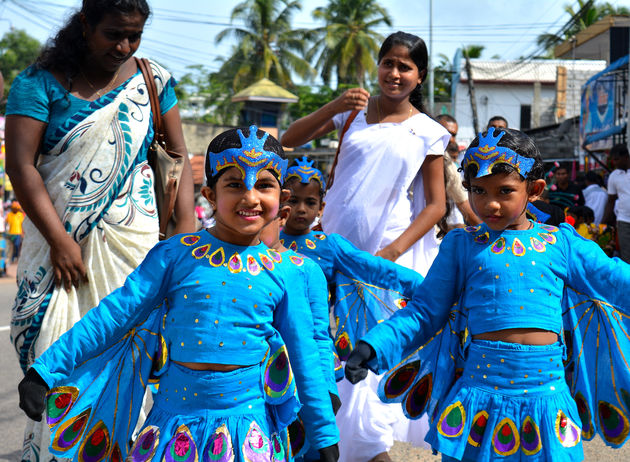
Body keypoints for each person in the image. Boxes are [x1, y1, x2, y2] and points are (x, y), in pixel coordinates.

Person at [17, 126, 340, 462]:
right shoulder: (174, 255)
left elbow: (305, 359)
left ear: (281, 199)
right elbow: (113, 315)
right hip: (170, 427)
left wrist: (325, 436)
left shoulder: (286, 272)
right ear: (210, 195)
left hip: (250, 432)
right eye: (234, 184)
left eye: (264, 185)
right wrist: (45, 370)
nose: (250, 197)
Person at [345, 127, 630, 461]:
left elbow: (616, 280)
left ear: (534, 190)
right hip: (479, 395)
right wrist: (374, 345)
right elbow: (425, 310)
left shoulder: (562, 243)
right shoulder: (461, 244)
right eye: (478, 190)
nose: (489, 203)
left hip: (548, 397)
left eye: (505, 191)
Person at [5, 1, 195, 460]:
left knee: (134, 358)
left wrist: (186, 236)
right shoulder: (39, 84)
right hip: (58, 254)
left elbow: (178, 157)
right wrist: (60, 240)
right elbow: (21, 166)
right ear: (85, 24)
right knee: (55, 359)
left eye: (134, 36)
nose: (124, 46)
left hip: (136, 251)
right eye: (113, 34)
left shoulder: (153, 81)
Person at [281, 31, 449, 461]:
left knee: (361, 356)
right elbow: (287, 139)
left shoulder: (428, 131)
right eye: (388, 63)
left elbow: (435, 207)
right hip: (325, 251)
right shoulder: (353, 115)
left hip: (381, 259)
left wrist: (391, 253)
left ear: (420, 76)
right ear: (378, 66)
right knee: (318, 343)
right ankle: (324, 438)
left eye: (405, 67)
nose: (395, 73)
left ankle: (366, 447)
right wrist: (337, 106)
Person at [436, 114, 481, 229]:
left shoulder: (447, 163)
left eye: (454, 135)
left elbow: (463, 205)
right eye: (447, 133)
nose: (450, 139)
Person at [604, 144, 630, 263]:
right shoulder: (613, 176)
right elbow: (611, 200)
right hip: (623, 220)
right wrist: (603, 223)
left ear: (626, 157)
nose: (614, 162)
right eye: (613, 160)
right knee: (626, 255)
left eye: (616, 159)